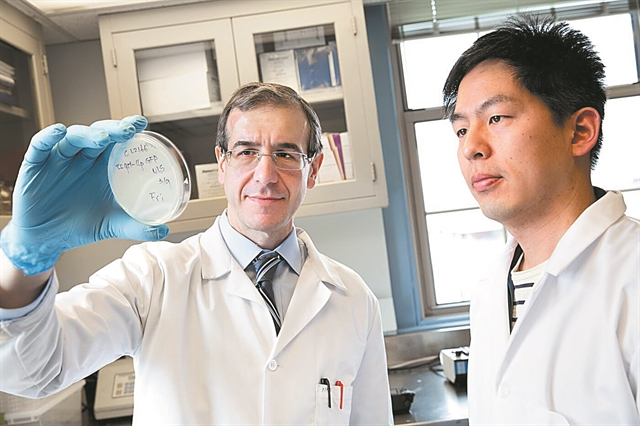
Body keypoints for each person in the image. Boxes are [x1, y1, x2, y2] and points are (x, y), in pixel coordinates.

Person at [0, 82, 393, 425]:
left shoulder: (355, 300)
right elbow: (34, 371)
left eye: (286, 154)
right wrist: (28, 260)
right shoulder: (152, 278)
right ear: (222, 163)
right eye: (246, 151)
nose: (265, 175)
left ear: (314, 169)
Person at [442, 15, 639, 425]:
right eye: (461, 130)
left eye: (496, 118)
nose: (471, 148)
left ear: (580, 131)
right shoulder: (490, 289)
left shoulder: (631, 274)